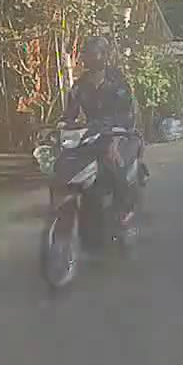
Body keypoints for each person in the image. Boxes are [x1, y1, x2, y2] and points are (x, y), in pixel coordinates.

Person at [61, 36, 141, 226]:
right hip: (92, 134)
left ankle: (125, 208)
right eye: (86, 54)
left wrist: (115, 137)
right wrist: (61, 126)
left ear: (104, 56)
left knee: (114, 161)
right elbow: (70, 114)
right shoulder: (79, 85)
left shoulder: (118, 81)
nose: (88, 58)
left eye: (93, 53)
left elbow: (127, 114)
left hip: (119, 131)